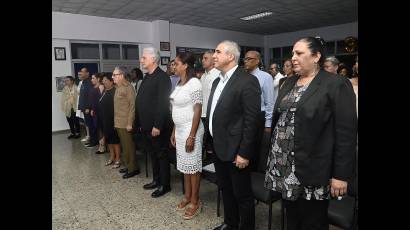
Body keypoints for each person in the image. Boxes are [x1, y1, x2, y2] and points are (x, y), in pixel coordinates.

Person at [264, 36, 357, 230]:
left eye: (299, 53)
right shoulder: (288, 83)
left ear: (316, 56)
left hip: (313, 166)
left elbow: (346, 133)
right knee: (292, 216)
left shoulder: (336, 84)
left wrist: (341, 175)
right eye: (292, 53)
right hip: (284, 165)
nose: (293, 58)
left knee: (313, 220)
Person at [207, 40, 261, 230]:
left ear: (230, 56)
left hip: (237, 150)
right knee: (226, 190)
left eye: (218, 52)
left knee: (243, 195)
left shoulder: (247, 81)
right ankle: (231, 223)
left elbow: (251, 121)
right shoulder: (216, 80)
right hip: (218, 146)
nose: (214, 55)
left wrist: (244, 153)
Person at [169, 52, 204, 220]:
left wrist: (192, 136)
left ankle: (195, 202)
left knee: (193, 168)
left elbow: (198, 109)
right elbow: (177, 109)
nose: (173, 66)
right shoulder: (179, 83)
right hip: (180, 130)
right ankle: (187, 196)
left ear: (185, 65)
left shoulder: (194, 82)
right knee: (184, 166)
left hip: (192, 130)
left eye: (176, 63)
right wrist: (174, 131)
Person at [136, 47, 172, 198]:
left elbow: (163, 104)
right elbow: (142, 100)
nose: (141, 60)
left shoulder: (162, 77)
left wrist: (157, 125)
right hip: (146, 126)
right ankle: (156, 180)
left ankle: (165, 185)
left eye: (143, 58)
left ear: (153, 59)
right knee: (153, 154)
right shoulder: (147, 77)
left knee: (162, 156)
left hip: (157, 127)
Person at [243, 50, 274, 170]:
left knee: (255, 148)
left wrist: (268, 124)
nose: (246, 61)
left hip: (258, 116)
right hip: (244, 115)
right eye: (245, 58)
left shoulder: (265, 77)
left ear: (257, 61)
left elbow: (269, 102)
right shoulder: (243, 76)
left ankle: (254, 173)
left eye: (249, 59)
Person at [113, 66, 140, 179]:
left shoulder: (128, 87)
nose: (112, 77)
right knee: (124, 146)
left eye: (115, 75)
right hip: (119, 122)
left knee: (129, 146)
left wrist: (130, 123)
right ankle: (128, 165)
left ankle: (133, 169)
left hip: (125, 123)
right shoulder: (118, 87)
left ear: (122, 75)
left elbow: (132, 106)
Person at [199, 50, 220, 156]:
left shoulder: (218, 75)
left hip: (211, 115)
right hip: (202, 114)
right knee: (205, 143)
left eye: (205, 58)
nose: (202, 60)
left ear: (213, 60)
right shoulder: (203, 76)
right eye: (202, 58)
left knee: (211, 143)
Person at [99, 74, 122, 168]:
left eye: (105, 80)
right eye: (103, 80)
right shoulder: (105, 91)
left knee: (115, 140)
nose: (103, 82)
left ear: (111, 81)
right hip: (105, 119)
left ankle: (118, 159)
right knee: (109, 140)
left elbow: (118, 108)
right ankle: (112, 157)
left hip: (113, 119)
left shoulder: (115, 91)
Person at [78, 67, 98, 147]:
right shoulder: (83, 82)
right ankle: (92, 140)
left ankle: (94, 141)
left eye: (83, 72)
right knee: (89, 125)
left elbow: (90, 96)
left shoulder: (89, 82)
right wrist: (80, 107)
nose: (81, 73)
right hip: (84, 108)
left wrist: (88, 107)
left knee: (91, 126)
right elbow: (82, 96)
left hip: (87, 109)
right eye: (81, 72)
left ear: (87, 73)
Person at [90, 73, 105, 154]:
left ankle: (102, 146)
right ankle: (101, 145)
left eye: (93, 78)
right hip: (95, 111)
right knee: (98, 128)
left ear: (98, 79)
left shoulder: (101, 87)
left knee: (101, 129)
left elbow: (102, 100)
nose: (91, 80)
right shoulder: (93, 87)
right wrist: (92, 109)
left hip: (101, 111)